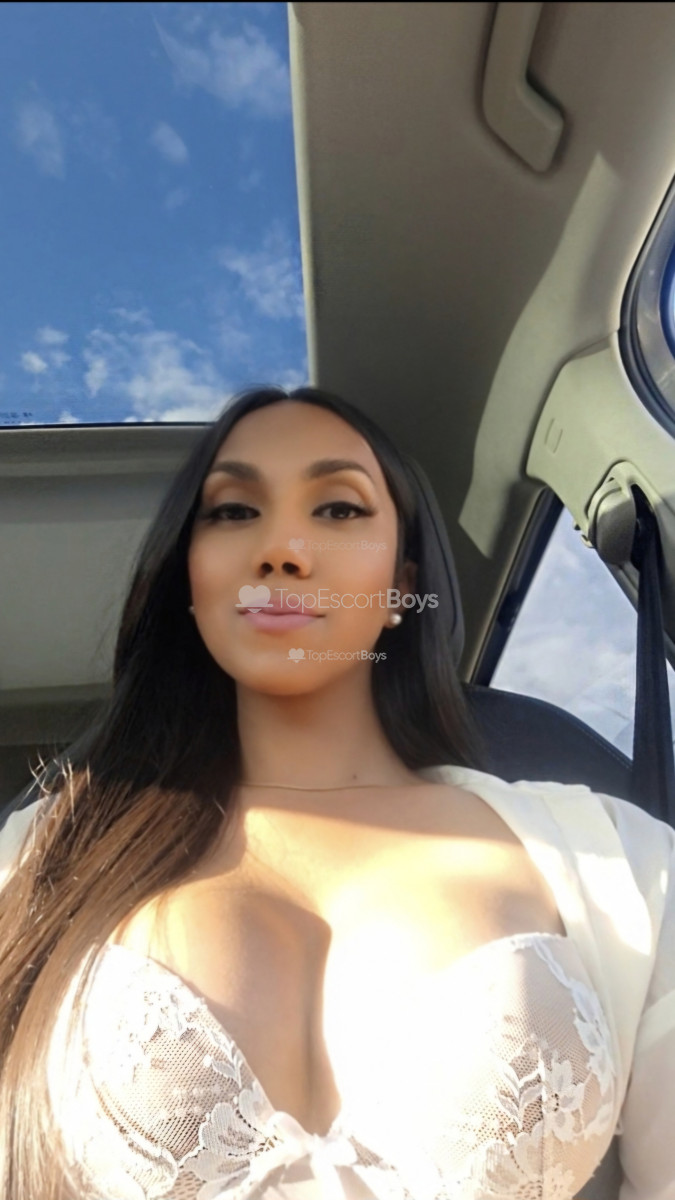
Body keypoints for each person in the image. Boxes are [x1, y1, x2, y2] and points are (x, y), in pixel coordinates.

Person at [0, 385, 674, 1200]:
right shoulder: (38, 857)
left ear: (400, 585)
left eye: (339, 509)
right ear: (191, 580)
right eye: (232, 512)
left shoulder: (621, 861)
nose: (281, 551)